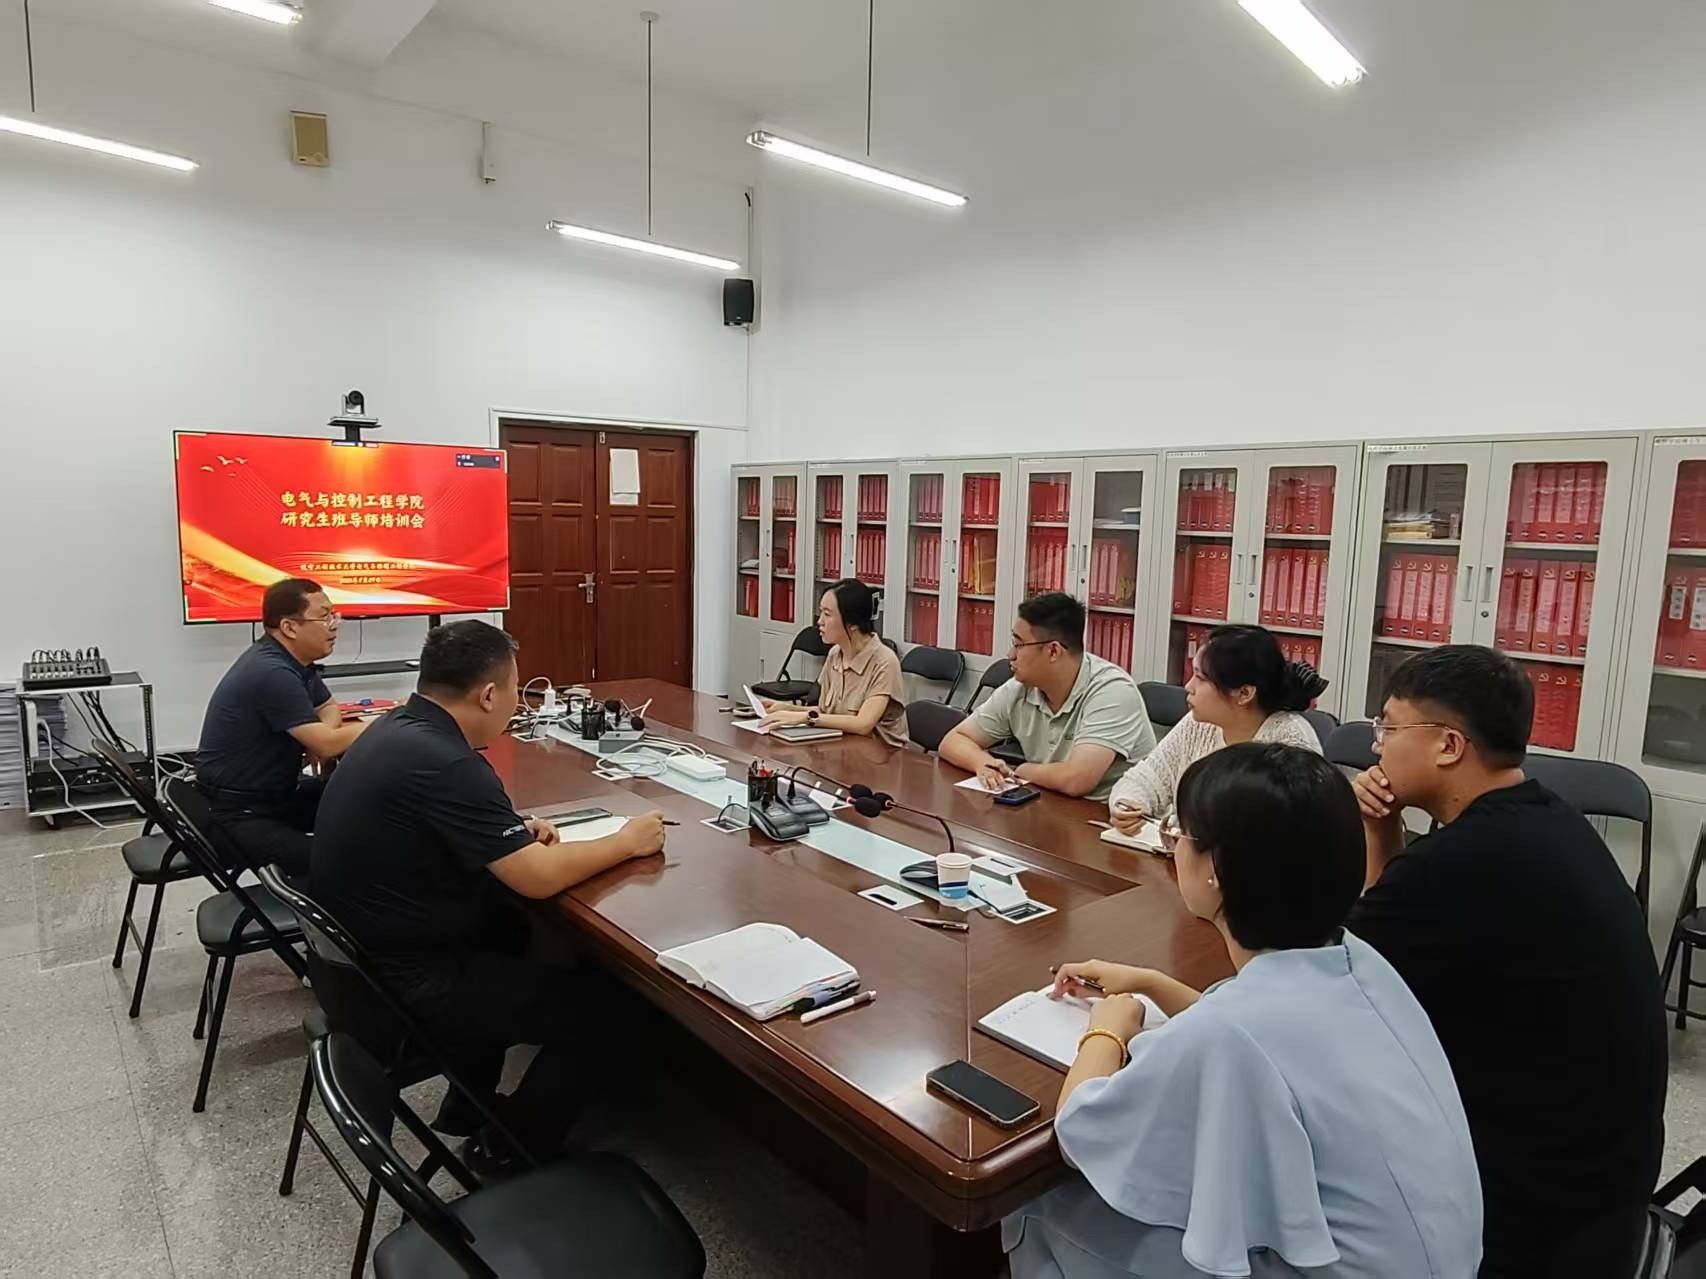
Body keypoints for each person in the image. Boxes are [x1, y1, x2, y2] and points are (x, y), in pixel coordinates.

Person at [1007, 743, 1482, 1279]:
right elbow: (1264, 1043)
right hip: (1439, 1257)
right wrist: (1149, 983)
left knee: (1040, 1202)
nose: (1173, 845)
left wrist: (1107, 1030)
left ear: (1217, 868)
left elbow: (1080, 1134)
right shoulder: (1358, 959)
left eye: (1179, 834)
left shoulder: (1230, 1031)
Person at [1347, 645, 1666, 1279]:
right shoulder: (1545, 816)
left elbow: (1337, 985)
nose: (1377, 746)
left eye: (1389, 726)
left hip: (1534, 1204)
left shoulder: (1463, 862)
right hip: (1608, 1182)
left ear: (1448, 745)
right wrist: (1384, 833)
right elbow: (1381, 955)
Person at [310, 618, 667, 1169]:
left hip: (356, 968)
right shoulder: (449, 762)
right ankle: (509, 1150)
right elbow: (537, 878)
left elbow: (428, 826)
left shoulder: (397, 728)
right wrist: (627, 841)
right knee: (609, 1011)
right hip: (407, 981)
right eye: (515, 690)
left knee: (514, 929)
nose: (517, 706)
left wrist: (504, 834)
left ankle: (466, 1104)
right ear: (488, 694)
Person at [195, 578, 366, 875]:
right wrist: (388, 720)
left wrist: (321, 738)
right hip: (238, 816)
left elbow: (328, 708)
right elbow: (328, 744)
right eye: (325, 616)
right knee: (344, 865)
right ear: (289, 627)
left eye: (334, 615)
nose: (335, 625)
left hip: (275, 796)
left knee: (366, 797)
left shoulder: (292, 661)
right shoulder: (271, 671)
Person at [1106, 623, 1325, 832]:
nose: (1188, 686)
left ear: (1244, 693)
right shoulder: (1199, 724)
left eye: (1201, 678)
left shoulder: (1290, 743)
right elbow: (1146, 778)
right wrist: (1128, 805)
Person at [938, 593, 1154, 801]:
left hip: (1111, 816)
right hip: (1051, 803)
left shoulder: (1113, 691)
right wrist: (984, 763)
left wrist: (1020, 771)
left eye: (1019, 645)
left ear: (1053, 651)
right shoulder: (1020, 688)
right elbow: (953, 740)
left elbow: (1077, 779)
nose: (1010, 655)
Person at [760, 578, 909, 747]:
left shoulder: (884, 662)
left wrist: (803, 717)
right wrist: (787, 709)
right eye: (821, 612)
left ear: (852, 623)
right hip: (841, 747)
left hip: (880, 755)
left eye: (827, 614)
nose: (820, 621)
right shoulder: (835, 654)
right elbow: (827, 714)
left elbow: (863, 724)